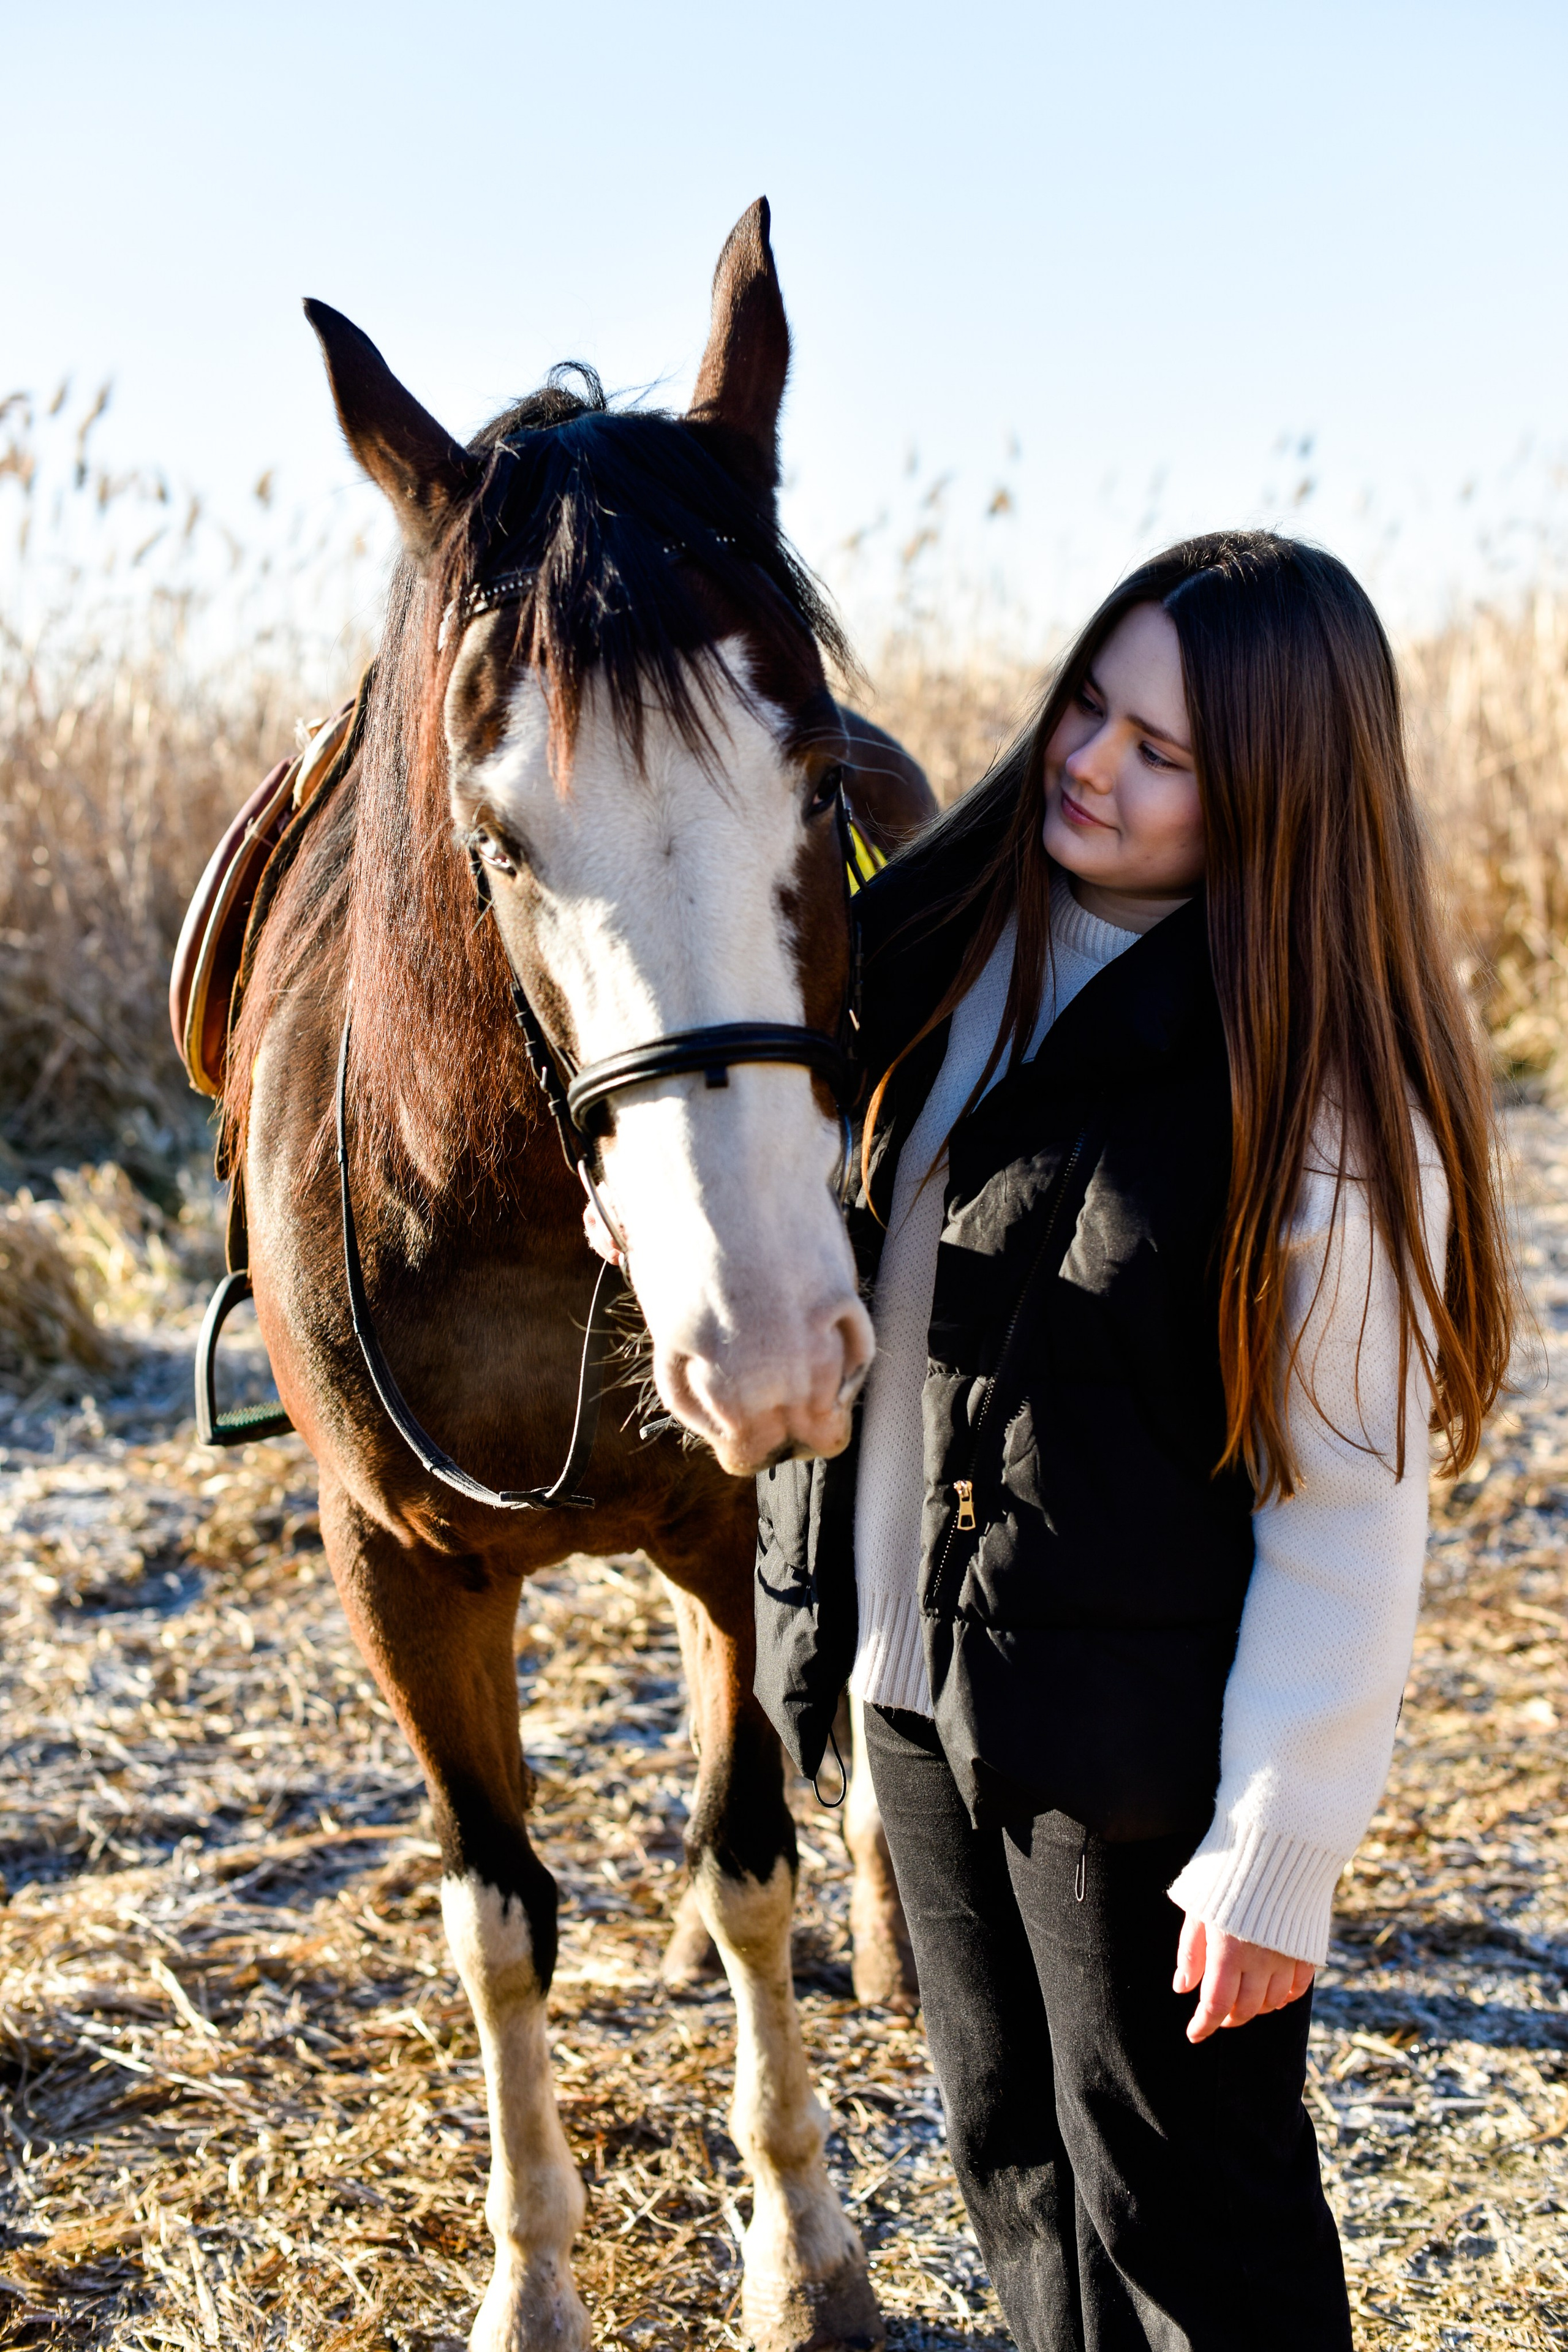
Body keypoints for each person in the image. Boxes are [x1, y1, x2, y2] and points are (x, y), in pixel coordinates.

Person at [753, 532, 1513, 2350]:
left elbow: (1352, 1509)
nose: (1090, 762)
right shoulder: (943, 936)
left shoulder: (1315, 1080)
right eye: (1090, 706)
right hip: (921, 1698)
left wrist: (1280, 1848)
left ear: (1277, 786)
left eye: (1161, 753)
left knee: (1186, 2219)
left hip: (1141, 1764)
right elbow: (783, 1186)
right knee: (1015, 2166)